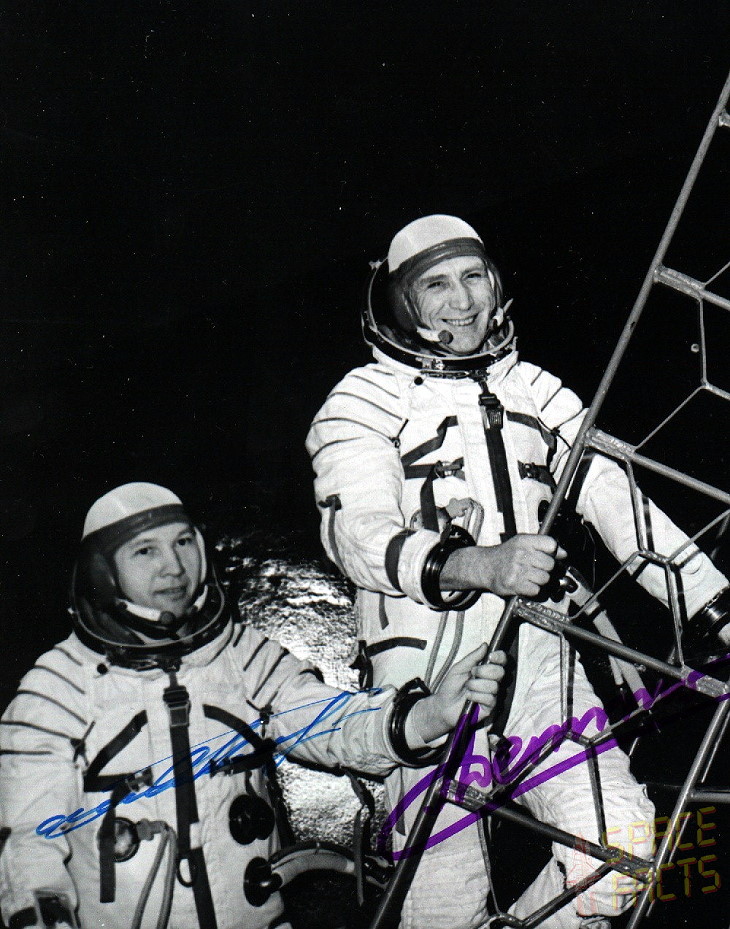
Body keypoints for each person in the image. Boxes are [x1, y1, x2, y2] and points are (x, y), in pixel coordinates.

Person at [306, 214, 730, 929]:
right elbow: (354, 533)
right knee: (442, 905)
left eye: (473, 277)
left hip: (539, 661)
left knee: (623, 853)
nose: (462, 300)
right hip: (425, 671)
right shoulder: (363, 400)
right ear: (401, 304)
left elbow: (622, 506)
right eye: (436, 285)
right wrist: (478, 565)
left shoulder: (536, 390)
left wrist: (715, 607)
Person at [0, 481, 507, 929]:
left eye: (183, 543)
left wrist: (430, 715)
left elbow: (327, 722)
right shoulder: (58, 690)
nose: (173, 566)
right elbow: (27, 845)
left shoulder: (241, 656)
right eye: (145, 551)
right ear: (104, 573)